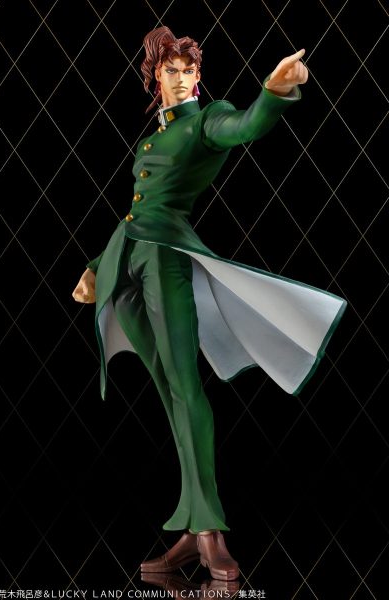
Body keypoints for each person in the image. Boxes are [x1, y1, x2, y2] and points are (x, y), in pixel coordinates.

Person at [72, 26, 346, 581]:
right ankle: (193, 528)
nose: (179, 79)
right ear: (155, 77)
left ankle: (209, 531)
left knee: (186, 389)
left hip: (166, 261)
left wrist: (273, 91)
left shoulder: (205, 122)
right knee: (169, 395)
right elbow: (138, 210)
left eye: (188, 71)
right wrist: (98, 267)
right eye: (169, 71)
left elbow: (244, 126)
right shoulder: (153, 137)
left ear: (199, 76)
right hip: (128, 265)